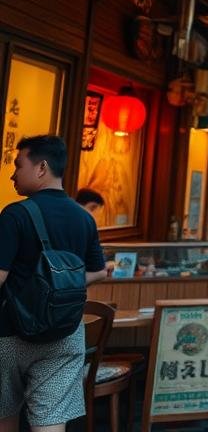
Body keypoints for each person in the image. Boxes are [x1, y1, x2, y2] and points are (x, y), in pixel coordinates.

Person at [0, 136, 107, 432]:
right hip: (65, 334)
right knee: (50, 422)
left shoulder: (15, 214)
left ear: (41, 168)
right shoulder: (84, 219)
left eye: (18, 165)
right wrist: (59, 284)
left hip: (11, 332)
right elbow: (99, 272)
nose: (13, 173)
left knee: (4, 416)